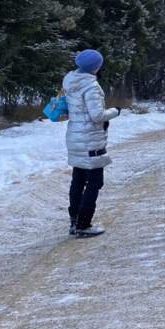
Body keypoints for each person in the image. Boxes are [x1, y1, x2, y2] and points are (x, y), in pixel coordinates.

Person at [64, 49, 120, 238]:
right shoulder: (91, 86)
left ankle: (74, 221)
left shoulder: (70, 81)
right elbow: (97, 115)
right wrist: (114, 111)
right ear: (96, 66)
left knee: (78, 179)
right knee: (95, 181)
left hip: (75, 136)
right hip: (90, 139)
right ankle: (84, 223)